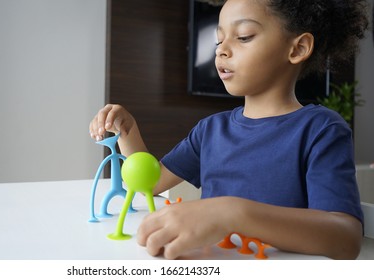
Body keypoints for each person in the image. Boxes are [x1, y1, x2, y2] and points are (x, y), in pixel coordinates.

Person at [89, 0, 369, 259]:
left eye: (244, 36)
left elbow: (345, 237)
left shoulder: (321, 130)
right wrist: (127, 131)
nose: (221, 49)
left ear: (297, 49)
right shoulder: (210, 130)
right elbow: (152, 183)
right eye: (219, 39)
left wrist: (233, 212)